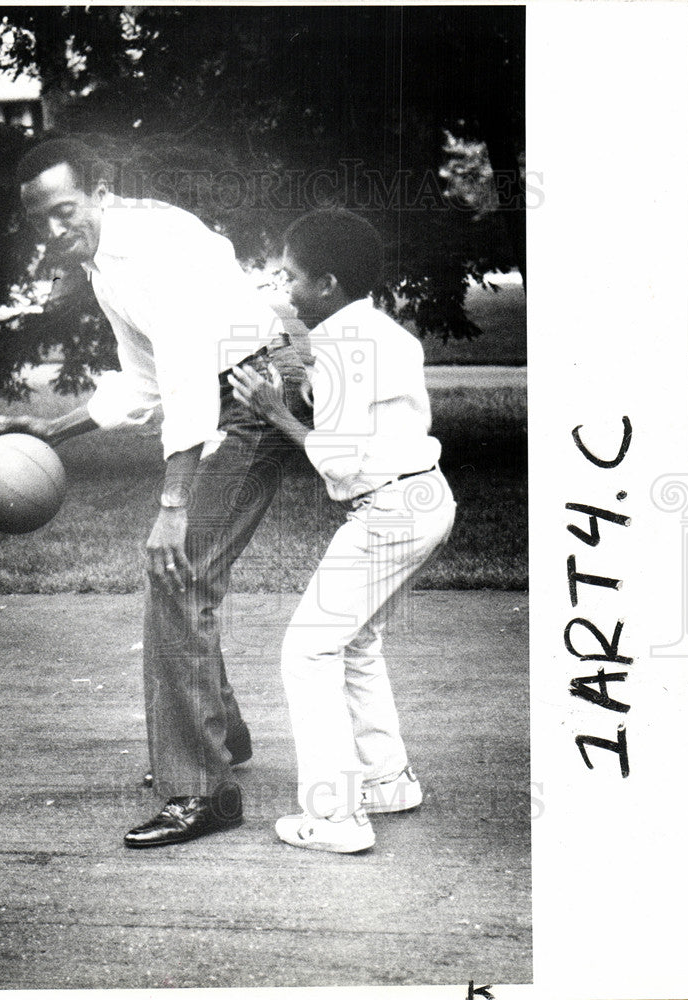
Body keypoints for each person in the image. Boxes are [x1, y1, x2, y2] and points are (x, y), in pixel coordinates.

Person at [0, 138, 312, 847]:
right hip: (234, 378)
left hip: (255, 384)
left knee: (176, 568)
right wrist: (55, 429)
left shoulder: (150, 247)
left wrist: (173, 505)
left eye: (64, 211)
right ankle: (220, 735)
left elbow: (190, 373)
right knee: (180, 573)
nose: (54, 230)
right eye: (40, 221)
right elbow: (146, 378)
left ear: (99, 190)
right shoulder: (107, 260)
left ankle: (202, 791)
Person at [229, 208, 456, 853]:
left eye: (291, 276)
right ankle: (386, 783)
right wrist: (297, 387)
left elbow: (338, 455)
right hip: (427, 500)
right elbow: (359, 418)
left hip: (387, 512)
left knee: (307, 650)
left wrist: (273, 410)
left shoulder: (335, 344)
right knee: (355, 642)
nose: (284, 286)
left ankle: (334, 819)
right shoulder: (387, 333)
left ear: (325, 283)